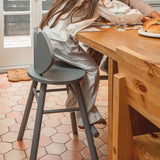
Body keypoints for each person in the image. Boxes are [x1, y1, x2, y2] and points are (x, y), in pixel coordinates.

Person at [39, 0, 143, 128]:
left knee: (87, 63)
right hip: (60, 44)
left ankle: (75, 104)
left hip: (48, 44)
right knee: (92, 69)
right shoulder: (97, 3)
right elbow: (121, 14)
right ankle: (85, 116)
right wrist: (141, 17)